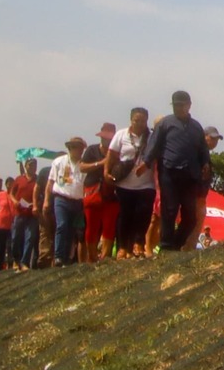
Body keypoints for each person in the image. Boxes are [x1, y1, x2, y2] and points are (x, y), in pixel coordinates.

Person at [136, 91, 211, 251]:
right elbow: (154, 144)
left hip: (190, 175)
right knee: (169, 210)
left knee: (191, 217)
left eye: (181, 105)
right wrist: (146, 162)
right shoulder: (165, 124)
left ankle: (176, 244)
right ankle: (166, 246)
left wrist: (205, 163)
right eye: (176, 105)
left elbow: (203, 149)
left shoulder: (196, 127)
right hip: (169, 172)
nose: (178, 108)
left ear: (189, 105)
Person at [110, 108, 156, 257]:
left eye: (143, 121)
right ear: (131, 120)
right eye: (137, 120)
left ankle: (138, 244)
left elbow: (157, 156)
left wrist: (147, 165)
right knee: (124, 216)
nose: (140, 123)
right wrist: (106, 173)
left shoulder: (151, 137)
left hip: (146, 184)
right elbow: (112, 155)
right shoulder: (121, 135)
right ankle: (122, 247)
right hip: (125, 184)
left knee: (143, 215)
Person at [44, 137, 89, 265]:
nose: (80, 150)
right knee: (62, 225)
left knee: (71, 230)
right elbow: (50, 182)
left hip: (77, 201)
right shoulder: (58, 162)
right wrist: (47, 200)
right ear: (71, 148)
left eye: (81, 148)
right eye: (77, 147)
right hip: (61, 198)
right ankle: (58, 256)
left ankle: (66, 258)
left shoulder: (84, 165)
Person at [80, 122, 118, 261]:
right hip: (93, 192)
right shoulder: (92, 150)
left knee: (109, 225)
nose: (106, 140)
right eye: (104, 137)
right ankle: (92, 257)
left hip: (111, 194)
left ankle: (105, 257)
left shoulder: (117, 153)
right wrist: (100, 163)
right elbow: (82, 167)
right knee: (91, 225)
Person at [9, 159, 40, 270]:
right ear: (26, 166)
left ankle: (24, 262)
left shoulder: (38, 180)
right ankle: (16, 260)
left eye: (35, 165)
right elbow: (11, 194)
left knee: (30, 238)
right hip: (19, 213)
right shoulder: (19, 179)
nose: (33, 167)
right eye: (31, 165)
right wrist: (15, 201)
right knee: (15, 237)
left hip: (32, 214)